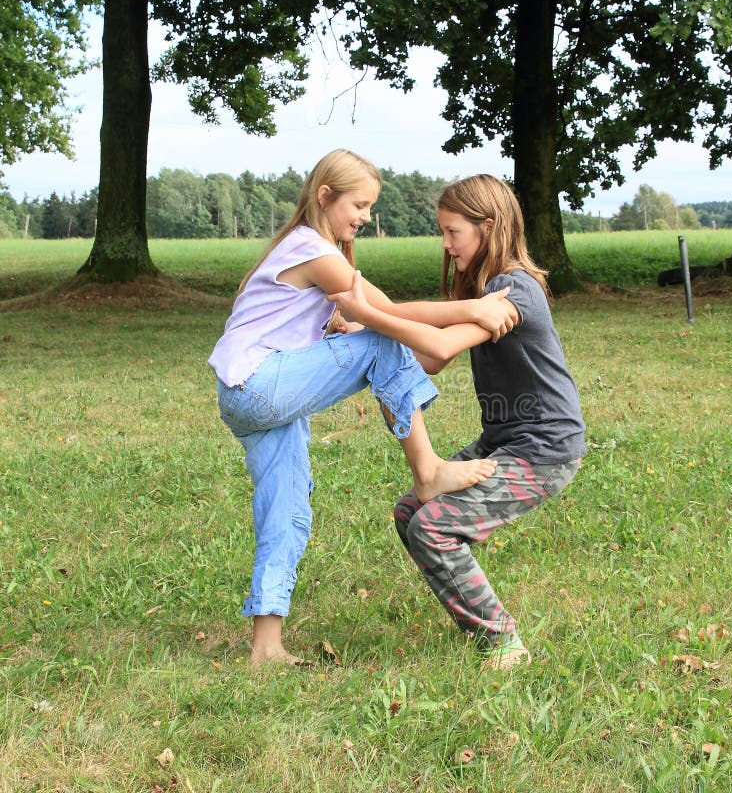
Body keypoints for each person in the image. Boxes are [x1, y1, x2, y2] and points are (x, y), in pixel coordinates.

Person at [209, 150, 517, 667]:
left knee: (285, 508)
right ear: (325, 196)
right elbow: (388, 314)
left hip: (242, 393)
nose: (365, 218)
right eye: (359, 204)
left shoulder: (305, 248)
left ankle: (266, 646)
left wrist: (345, 326)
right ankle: (429, 471)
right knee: (381, 340)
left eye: (370, 207)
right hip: (259, 385)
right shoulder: (314, 249)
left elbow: (318, 320)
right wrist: (475, 309)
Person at [329, 174, 586, 671]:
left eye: (453, 232)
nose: (445, 245)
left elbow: (441, 345)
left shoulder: (515, 290)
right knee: (412, 514)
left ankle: (504, 642)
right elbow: (429, 360)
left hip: (545, 450)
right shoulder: (486, 291)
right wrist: (362, 331)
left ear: (488, 227)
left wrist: (367, 311)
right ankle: (480, 622)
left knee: (434, 528)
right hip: (505, 442)